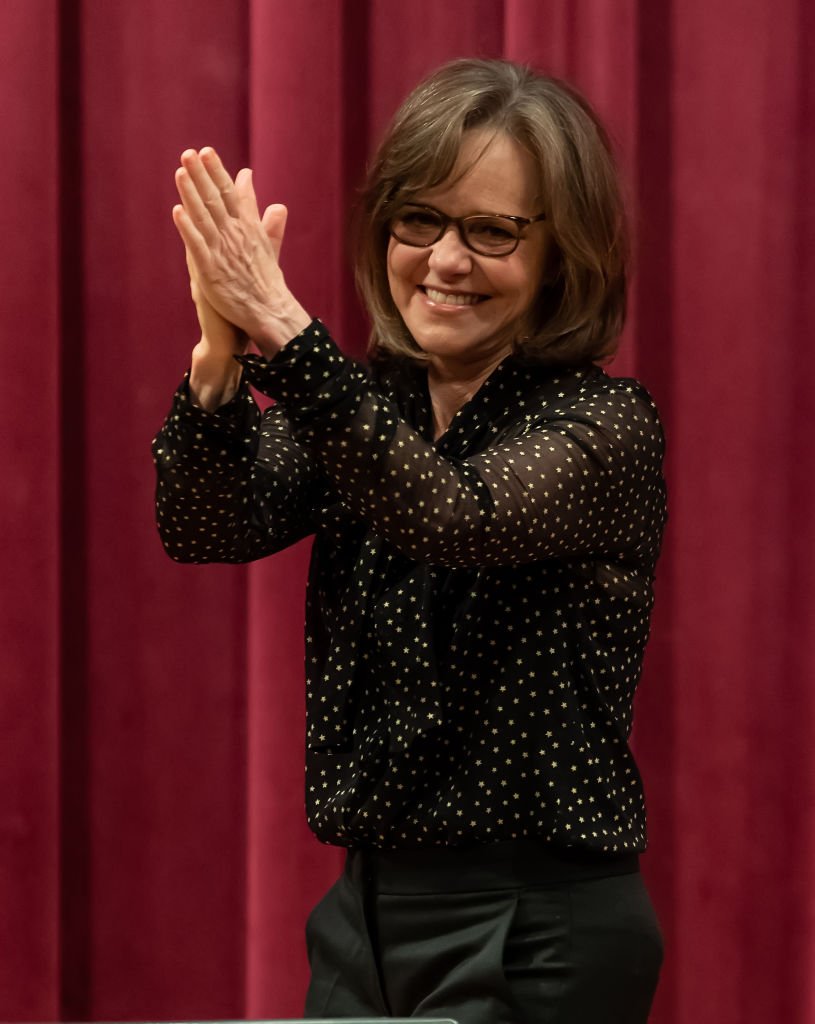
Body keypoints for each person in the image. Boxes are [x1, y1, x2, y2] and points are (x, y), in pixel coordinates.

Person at [153, 58, 667, 1024]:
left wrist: (285, 329)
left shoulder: (603, 427)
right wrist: (220, 365)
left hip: (532, 925)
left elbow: (448, 513)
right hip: (364, 915)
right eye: (418, 220)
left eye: (491, 231)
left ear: (566, 253)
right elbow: (205, 526)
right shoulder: (373, 404)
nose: (443, 260)